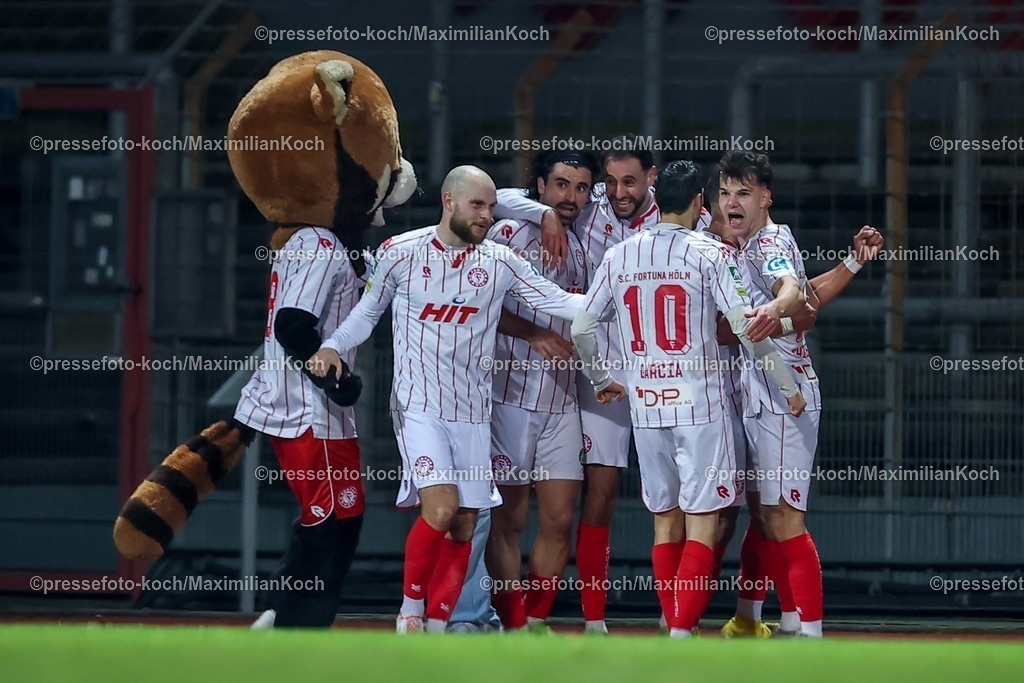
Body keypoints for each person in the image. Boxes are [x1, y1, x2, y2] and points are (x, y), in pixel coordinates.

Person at [309, 165, 585, 634]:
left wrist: (621, 287)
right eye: (477, 205)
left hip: (474, 416)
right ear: (448, 201)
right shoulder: (400, 253)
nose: (486, 216)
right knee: (440, 507)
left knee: (464, 525)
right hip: (419, 407)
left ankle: (437, 628)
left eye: (491, 207)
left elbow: (557, 302)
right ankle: (411, 611)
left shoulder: (500, 262)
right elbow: (366, 312)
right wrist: (334, 345)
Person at [570, 159, 805, 638]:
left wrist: (599, 379)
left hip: (646, 405)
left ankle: (670, 623)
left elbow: (581, 325)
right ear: (701, 201)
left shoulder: (620, 254)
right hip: (700, 406)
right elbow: (746, 326)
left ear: (656, 201)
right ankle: (680, 630)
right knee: (702, 522)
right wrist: (788, 385)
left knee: (664, 523)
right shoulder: (710, 254)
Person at [496, 136, 684, 633]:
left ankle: (677, 617)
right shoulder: (579, 210)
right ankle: (585, 620)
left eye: (629, 181)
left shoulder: (682, 220)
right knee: (593, 493)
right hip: (591, 374)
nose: (616, 191)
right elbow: (492, 195)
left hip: (664, 373)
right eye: (609, 181)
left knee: (685, 496)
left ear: (652, 178)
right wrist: (545, 215)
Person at [484, 150, 597, 633]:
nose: (572, 197)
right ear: (541, 186)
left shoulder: (588, 242)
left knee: (559, 519)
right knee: (509, 520)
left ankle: (533, 621)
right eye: (562, 186)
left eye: (581, 188)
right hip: (508, 398)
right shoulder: (507, 232)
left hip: (562, 402)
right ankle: (511, 623)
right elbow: (481, 301)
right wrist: (532, 335)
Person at [716, 150, 826, 637]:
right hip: (760, 393)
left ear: (765, 198)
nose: (731, 202)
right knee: (762, 514)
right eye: (724, 193)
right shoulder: (738, 245)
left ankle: (811, 634)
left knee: (784, 517)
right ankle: (763, 619)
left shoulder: (769, 241)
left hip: (787, 399)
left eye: (742, 192)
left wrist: (775, 308)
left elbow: (790, 289)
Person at [238, 226, 366, 629]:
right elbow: (293, 325)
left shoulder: (304, 240)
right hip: (310, 410)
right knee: (333, 518)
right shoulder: (321, 242)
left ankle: (285, 611)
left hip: (296, 405)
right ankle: (296, 625)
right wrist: (332, 378)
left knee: (337, 514)